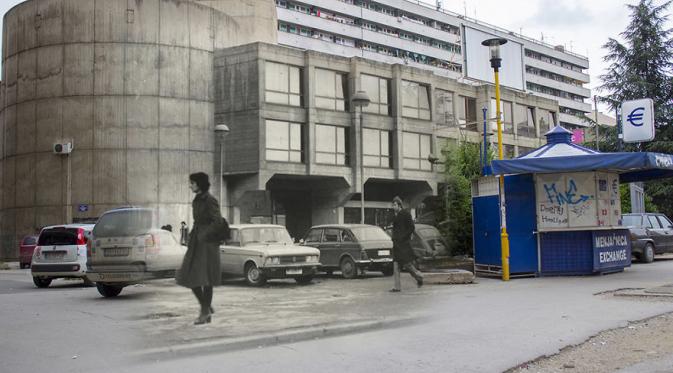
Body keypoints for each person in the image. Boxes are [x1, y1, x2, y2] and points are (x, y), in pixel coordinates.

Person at [176, 172, 222, 325]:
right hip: (196, 241)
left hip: (207, 243)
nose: (190, 186)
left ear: (199, 184)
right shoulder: (196, 200)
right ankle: (206, 307)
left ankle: (205, 313)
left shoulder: (210, 200)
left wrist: (205, 234)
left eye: (192, 183)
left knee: (206, 278)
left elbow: (217, 221)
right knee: (188, 275)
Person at [390, 196, 423, 292]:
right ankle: (397, 287)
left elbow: (411, 227)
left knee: (407, 265)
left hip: (404, 244)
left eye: (395, 205)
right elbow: (395, 229)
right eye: (393, 205)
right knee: (396, 266)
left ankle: (419, 277)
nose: (393, 207)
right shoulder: (395, 216)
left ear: (399, 205)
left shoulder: (406, 214)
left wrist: (404, 237)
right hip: (396, 244)